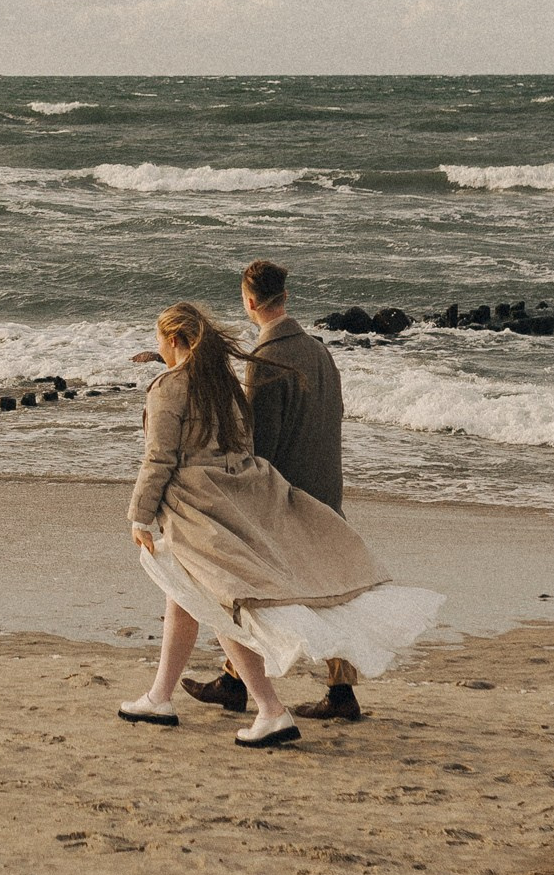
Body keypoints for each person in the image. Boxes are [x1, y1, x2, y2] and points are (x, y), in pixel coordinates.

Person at [116, 302, 442, 746]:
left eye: (159, 340)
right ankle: (159, 696)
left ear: (174, 340)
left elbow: (159, 458)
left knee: (218, 606)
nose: (157, 348)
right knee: (186, 596)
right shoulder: (224, 384)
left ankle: (271, 711)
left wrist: (139, 514)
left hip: (194, 507)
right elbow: (244, 444)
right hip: (238, 497)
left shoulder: (167, 387)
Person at [187, 257, 363, 722]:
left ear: (248, 301)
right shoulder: (320, 351)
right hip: (327, 485)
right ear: (285, 298)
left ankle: (236, 682)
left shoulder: (266, 359)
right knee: (334, 593)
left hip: (288, 496)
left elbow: (257, 444)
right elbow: (334, 416)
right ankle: (336, 690)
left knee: (251, 589)